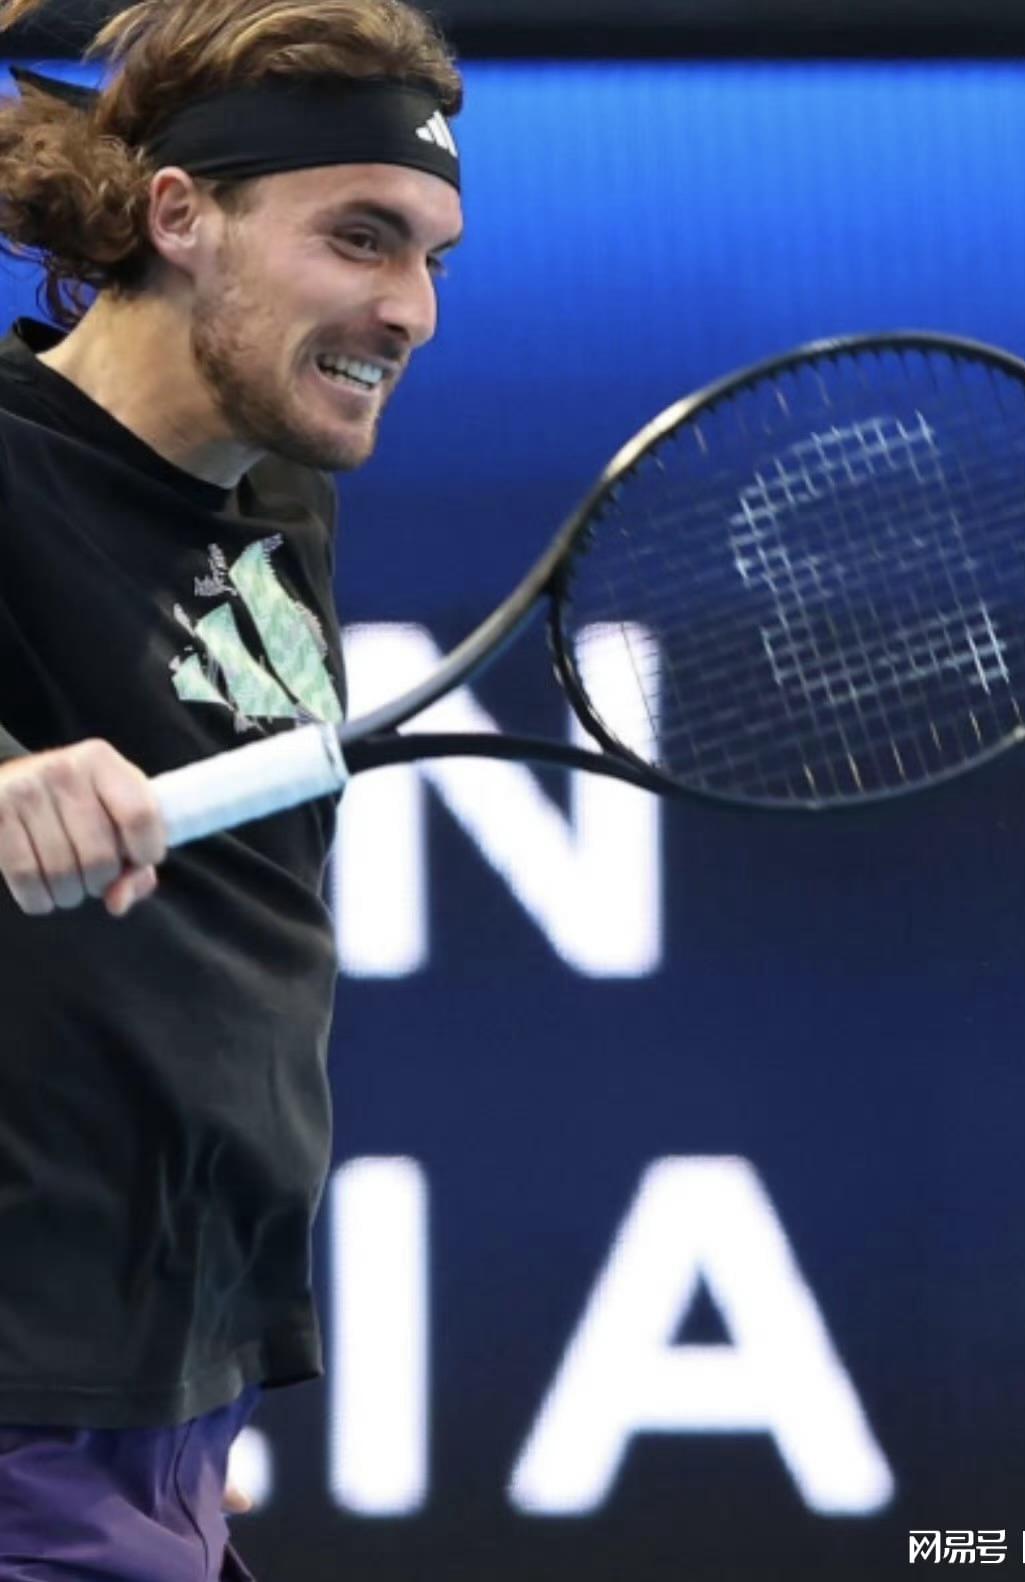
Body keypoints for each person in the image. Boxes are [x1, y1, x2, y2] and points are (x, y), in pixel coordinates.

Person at [0, 1, 463, 1576]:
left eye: (432, 259)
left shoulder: (279, 495)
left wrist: (181, 1402)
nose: (410, 309)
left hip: (161, 1403)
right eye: (360, 237)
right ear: (178, 214)